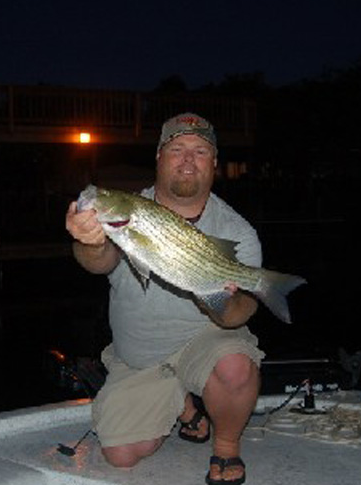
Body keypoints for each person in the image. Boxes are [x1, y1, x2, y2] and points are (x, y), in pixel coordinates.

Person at [65, 112, 264, 485]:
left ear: (214, 163)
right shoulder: (130, 211)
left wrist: (215, 297)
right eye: (177, 149)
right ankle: (186, 409)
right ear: (159, 157)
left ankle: (225, 446)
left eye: (200, 151)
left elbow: (240, 313)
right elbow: (99, 261)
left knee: (236, 367)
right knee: (121, 457)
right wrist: (88, 240)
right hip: (141, 351)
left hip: (204, 340)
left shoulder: (237, 232)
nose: (188, 159)